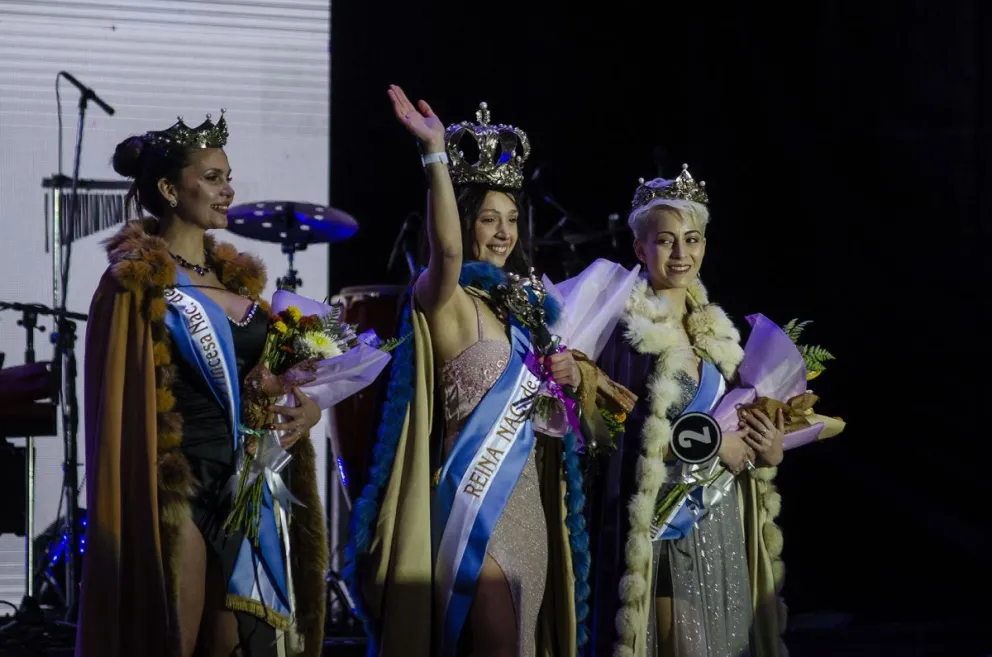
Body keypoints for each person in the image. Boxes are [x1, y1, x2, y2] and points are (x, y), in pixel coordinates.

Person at [345, 86, 594, 657]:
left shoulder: (529, 313)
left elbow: (559, 422)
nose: (504, 233)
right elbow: (448, 253)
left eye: (511, 219)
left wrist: (571, 378)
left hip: (531, 505)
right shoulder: (447, 298)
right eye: (487, 218)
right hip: (471, 503)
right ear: (464, 221)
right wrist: (434, 152)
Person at [76, 112, 327, 657]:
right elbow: (121, 401)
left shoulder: (240, 284)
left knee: (234, 645)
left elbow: (266, 384)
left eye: (227, 176)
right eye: (212, 177)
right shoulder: (134, 283)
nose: (227, 188)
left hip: (246, 481)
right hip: (177, 485)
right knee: (173, 641)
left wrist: (306, 410)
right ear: (169, 189)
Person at [587, 167, 788, 657]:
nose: (681, 254)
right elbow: (620, 429)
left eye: (692, 240)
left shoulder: (719, 340)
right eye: (666, 241)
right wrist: (719, 445)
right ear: (640, 249)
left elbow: (740, 431)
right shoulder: (625, 336)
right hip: (658, 530)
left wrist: (769, 447)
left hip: (715, 523)